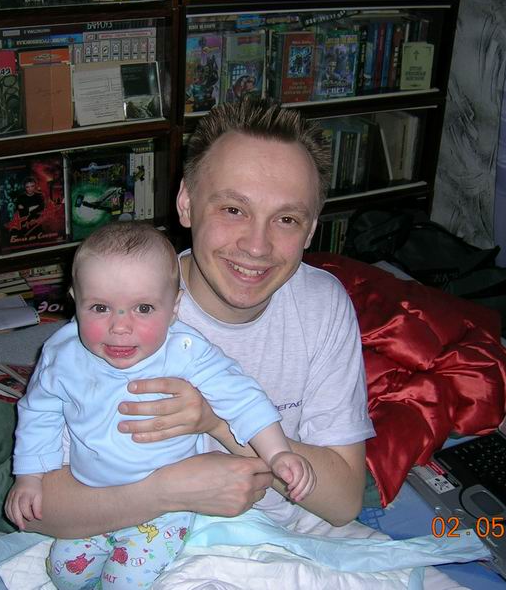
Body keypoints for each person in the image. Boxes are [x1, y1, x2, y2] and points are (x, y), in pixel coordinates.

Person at [27, 99, 463, 588]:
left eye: (286, 219)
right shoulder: (124, 316)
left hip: (288, 539)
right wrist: (167, 492)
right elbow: (40, 507)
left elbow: (342, 501)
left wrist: (216, 422)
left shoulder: (321, 305)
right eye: (233, 209)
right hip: (144, 537)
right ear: (186, 203)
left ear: (311, 229)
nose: (256, 246)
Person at [6, 221, 316, 589]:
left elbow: (243, 398)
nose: (120, 327)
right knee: (64, 573)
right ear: (76, 300)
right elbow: (39, 413)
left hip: (168, 509)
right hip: (93, 497)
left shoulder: (185, 351)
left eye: (143, 308)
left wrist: (278, 452)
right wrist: (29, 476)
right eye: (100, 307)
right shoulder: (62, 354)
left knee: (125, 581)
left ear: (174, 308)